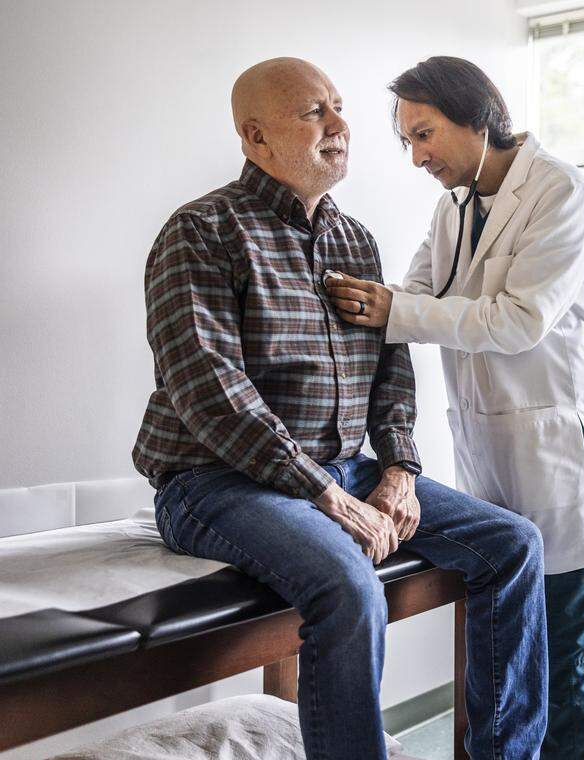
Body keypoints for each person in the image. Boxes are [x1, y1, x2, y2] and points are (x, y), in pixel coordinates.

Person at [132, 57, 548, 760]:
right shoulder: (200, 232)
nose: (339, 126)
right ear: (256, 139)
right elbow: (210, 391)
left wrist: (398, 470)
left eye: (338, 108)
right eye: (313, 113)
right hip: (211, 482)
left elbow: (390, 364)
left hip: (342, 469)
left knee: (513, 547)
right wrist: (324, 491)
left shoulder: (352, 238)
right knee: (349, 585)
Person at [325, 56, 584, 760]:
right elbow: (412, 297)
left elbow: (519, 320)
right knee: (511, 661)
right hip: (486, 451)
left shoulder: (558, 191)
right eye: (407, 142)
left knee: (566, 675)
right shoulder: (453, 207)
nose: (417, 156)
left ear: (478, 113)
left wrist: (396, 310)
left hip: (554, 461)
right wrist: (355, 305)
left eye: (425, 134)